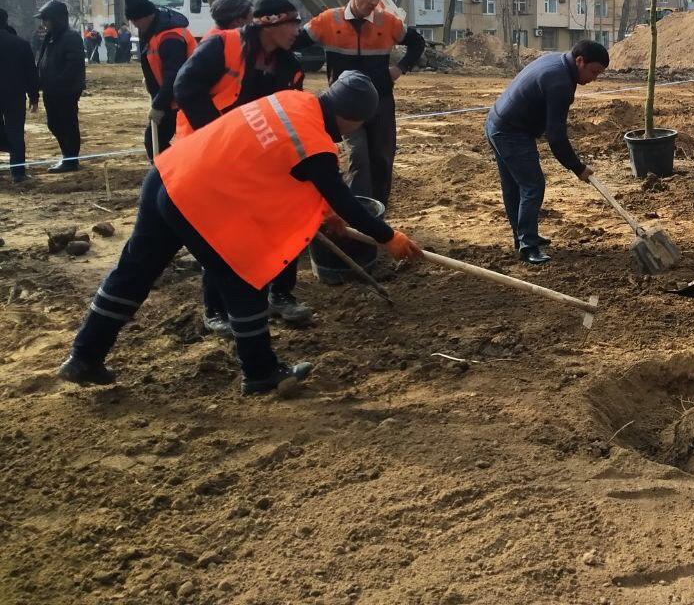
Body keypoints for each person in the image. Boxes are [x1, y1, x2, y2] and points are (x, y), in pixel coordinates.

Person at [56, 72, 425, 395]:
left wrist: (326, 215)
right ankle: (261, 372)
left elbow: (293, 171)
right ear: (351, 119)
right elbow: (342, 197)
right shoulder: (314, 140)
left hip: (168, 175)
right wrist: (387, 236)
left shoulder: (292, 101)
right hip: (198, 199)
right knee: (244, 278)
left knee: (133, 272)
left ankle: (84, 356)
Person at [174, 0, 309, 329]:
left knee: (281, 219)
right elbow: (185, 86)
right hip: (207, 152)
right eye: (292, 22)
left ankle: (280, 294)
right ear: (269, 23)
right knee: (222, 232)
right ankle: (215, 310)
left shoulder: (290, 66)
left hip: (256, 153)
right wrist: (216, 136)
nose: (298, 29)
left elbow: (290, 112)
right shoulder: (223, 46)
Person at [293, 0, 425, 205]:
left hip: (381, 102)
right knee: (358, 157)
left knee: (382, 158)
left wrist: (399, 69)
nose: (374, 2)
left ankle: (379, 209)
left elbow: (417, 42)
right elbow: (293, 42)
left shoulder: (388, 22)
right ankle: (359, 210)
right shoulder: (327, 21)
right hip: (345, 106)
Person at [484, 40, 608, 265]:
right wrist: (577, 167)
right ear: (580, 61)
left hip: (497, 122)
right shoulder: (560, 82)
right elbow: (556, 137)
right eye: (594, 71)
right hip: (510, 132)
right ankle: (528, 245)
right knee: (532, 185)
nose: (594, 78)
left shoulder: (559, 61)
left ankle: (523, 237)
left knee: (515, 186)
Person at [126, 0, 196, 160]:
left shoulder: (169, 37)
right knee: (156, 142)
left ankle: (171, 175)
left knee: (155, 142)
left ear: (146, 16)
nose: (134, 25)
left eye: (136, 20)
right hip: (171, 97)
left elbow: (174, 75)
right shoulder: (154, 31)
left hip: (181, 100)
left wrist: (158, 104)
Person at [35, 1, 86, 172]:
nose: (43, 23)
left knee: (67, 123)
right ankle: (67, 155)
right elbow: (43, 60)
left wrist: (58, 82)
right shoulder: (51, 38)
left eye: (46, 19)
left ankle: (70, 160)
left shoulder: (70, 38)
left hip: (65, 91)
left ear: (56, 19)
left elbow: (74, 65)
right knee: (54, 124)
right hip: (50, 90)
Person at [0, 9, 39, 184]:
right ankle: (18, 173)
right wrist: (34, 96)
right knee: (16, 131)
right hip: (14, 95)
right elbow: (31, 73)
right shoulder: (20, 44)